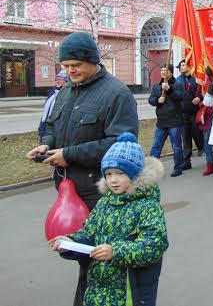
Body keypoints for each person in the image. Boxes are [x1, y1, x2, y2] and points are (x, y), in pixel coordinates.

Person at [26, 31, 138, 306]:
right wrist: (46, 145)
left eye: (75, 64)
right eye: (65, 65)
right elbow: (51, 125)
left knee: (98, 259)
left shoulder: (117, 93)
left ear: (93, 60)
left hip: (100, 194)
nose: (70, 70)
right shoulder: (65, 91)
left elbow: (121, 144)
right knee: (81, 254)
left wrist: (70, 155)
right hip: (69, 190)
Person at [49, 133, 168, 306]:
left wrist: (116, 251)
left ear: (136, 175)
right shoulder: (104, 203)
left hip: (130, 290)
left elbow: (155, 244)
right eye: (108, 173)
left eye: (120, 173)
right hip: (98, 288)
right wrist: (70, 242)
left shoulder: (148, 206)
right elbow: (90, 232)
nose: (113, 180)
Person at [148, 64, 185, 177]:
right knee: (156, 146)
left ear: (171, 72)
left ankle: (178, 167)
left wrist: (169, 89)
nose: (163, 72)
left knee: (176, 146)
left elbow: (179, 97)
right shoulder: (156, 86)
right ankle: (152, 169)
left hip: (174, 121)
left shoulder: (178, 84)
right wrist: (157, 100)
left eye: (166, 70)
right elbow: (151, 99)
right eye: (162, 70)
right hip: (161, 122)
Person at [176, 60, 203, 170]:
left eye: (184, 65)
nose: (182, 67)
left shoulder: (197, 78)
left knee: (197, 133)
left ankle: (202, 148)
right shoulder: (178, 80)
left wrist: (199, 97)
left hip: (194, 112)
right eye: (180, 66)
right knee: (185, 137)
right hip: (183, 113)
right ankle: (186, 160)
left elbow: (204, 90)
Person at [38, 70, 70, 139]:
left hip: (56, 129)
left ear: (66, 81)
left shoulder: (68, 93)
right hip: (45, 126)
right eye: (56, 79)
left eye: (60, 79)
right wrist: (41, 127)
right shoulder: (53, 92)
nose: (57, 81)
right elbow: (46, 111)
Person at [196, 68, 213, 176]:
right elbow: (199, 94)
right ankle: (209, 164)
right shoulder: (202, 80)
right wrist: (200, 101)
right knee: (207, 139)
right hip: (207, 115)